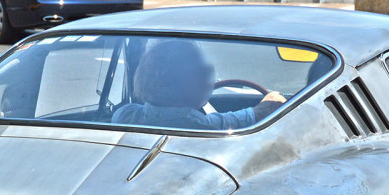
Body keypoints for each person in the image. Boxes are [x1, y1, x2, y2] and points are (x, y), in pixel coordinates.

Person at [112, 39, 286, 131]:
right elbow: (232, 121)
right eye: (202, 73)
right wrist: (268, 104)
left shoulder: (124, 115)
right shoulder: (199, 126)